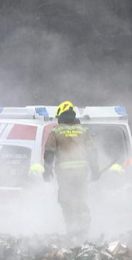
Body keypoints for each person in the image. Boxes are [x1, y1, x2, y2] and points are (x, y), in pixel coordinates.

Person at [42, 101, 100, 237]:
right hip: (81, 173)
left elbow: (49, 152)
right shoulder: (84, 131)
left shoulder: (56, 131)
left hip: (65, 174)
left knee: (65, 200)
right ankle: (84, 225)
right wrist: (95, 170)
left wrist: (47, 171)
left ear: (61, 116)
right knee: (80, 198)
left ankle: (72, 229)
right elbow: (92, 151)